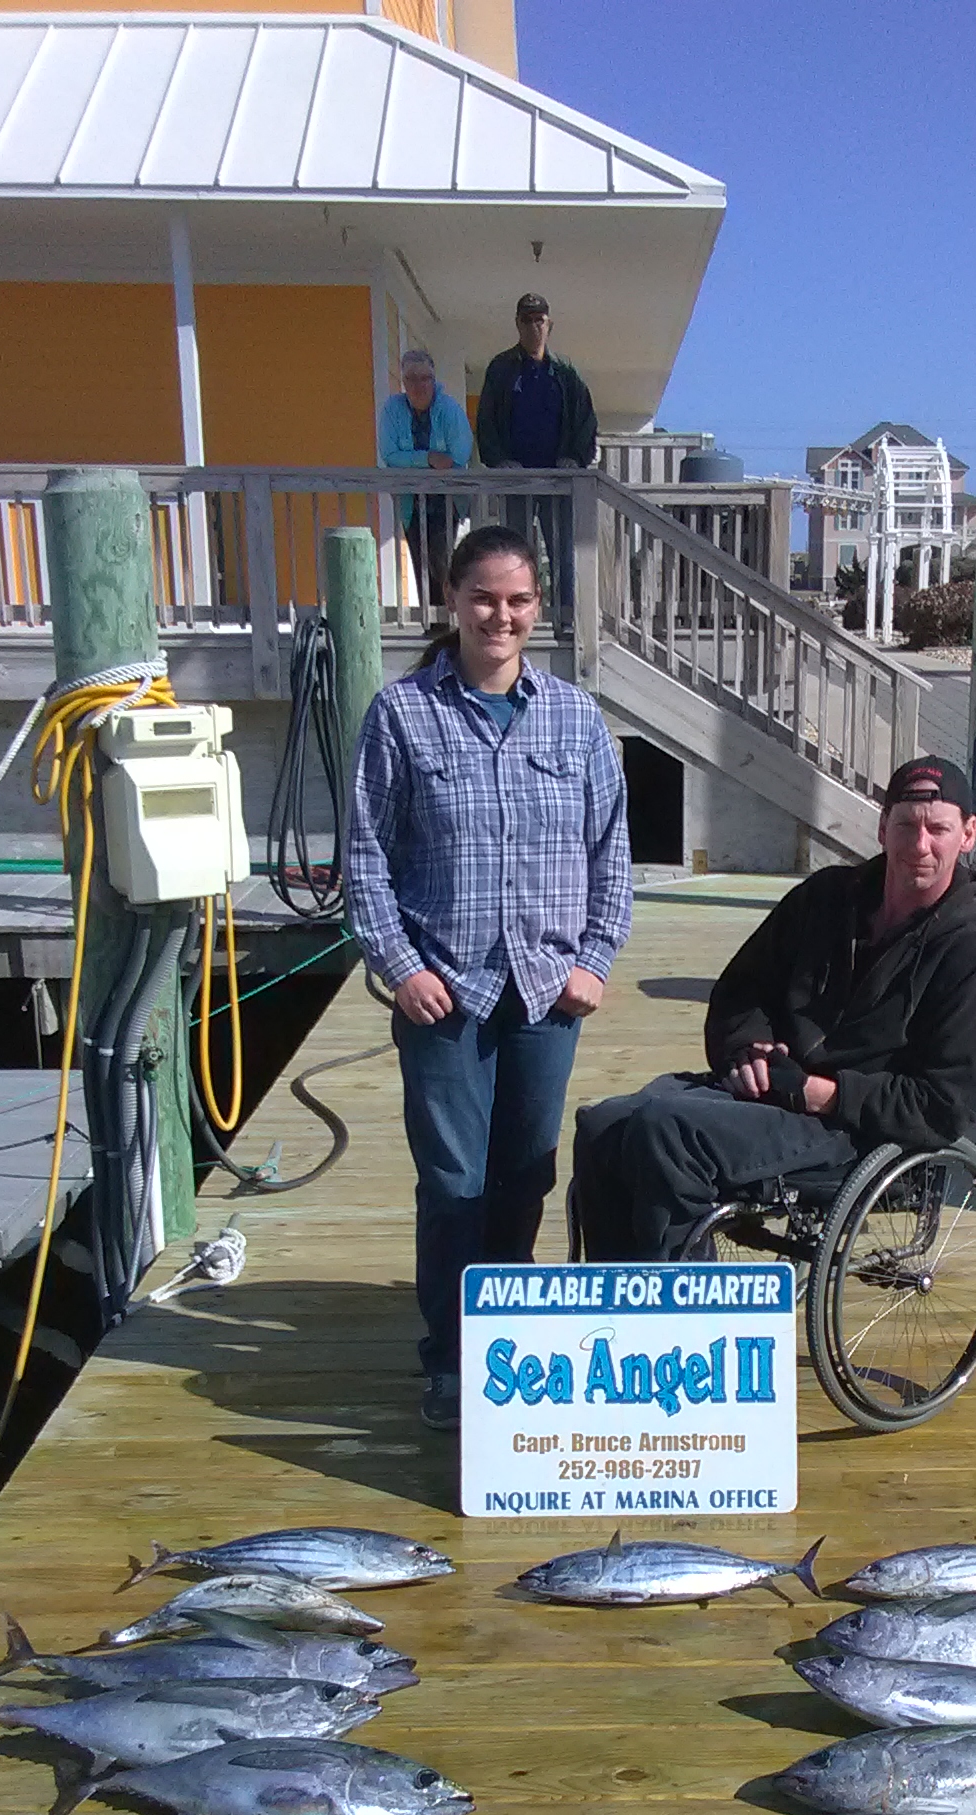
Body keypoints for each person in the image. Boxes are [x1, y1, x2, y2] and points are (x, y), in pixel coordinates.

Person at [345, 524, 632, 1431]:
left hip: (548, 989)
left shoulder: (577, 717)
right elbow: (362, 857)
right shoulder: (400, 714)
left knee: (524, 1176)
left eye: (516, 601)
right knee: (452, 1181)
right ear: (452, 602)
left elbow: (612, 854)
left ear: (537, 609)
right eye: (482, 598)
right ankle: (452, 1359)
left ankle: (507, 1337)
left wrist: (594, 958)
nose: (498, 616)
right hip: (444, 992)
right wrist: (398, 967)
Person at [571, 755, 976, 1262]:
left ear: (967, 834)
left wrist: (821, 1093)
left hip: (857, 1132)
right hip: (772, 1095)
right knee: (604, 1125)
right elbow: (741, 989)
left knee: (667, 1134)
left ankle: (689, 1325)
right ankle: (616, 1312)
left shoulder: (974, 959)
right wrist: (747, 1048)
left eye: (937, 829)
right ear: (882, 827)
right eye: (906, 826)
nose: (920, 845)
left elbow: (942, 1107)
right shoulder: (827, 898)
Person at [474, 293, 597, 613]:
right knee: (515, 553)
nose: (533, 327)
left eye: (539, 320)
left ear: (549, 324)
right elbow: (485, 420)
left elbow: (586, 420)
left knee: (562, 552)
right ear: (517, 324)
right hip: (516, 479)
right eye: (526, 320)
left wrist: (574, 458)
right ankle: (517, 615)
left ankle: (566, 616)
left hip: (558, 480)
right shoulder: (501, 369)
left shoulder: (566, 372)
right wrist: (499, 460)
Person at [377, 347, 474, 610]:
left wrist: (416, 460)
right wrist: (428, 459)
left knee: (442, 563)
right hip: (411, 502)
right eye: (412, 378)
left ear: (433, 380)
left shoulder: (449, 409)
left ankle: (451, 621)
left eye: (425, 378)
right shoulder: (392, 410)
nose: (419, 385)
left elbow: (459, 453)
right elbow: (389, 453)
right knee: (420, 564)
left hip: (446, 500)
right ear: (403, 383)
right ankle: (431, 627)